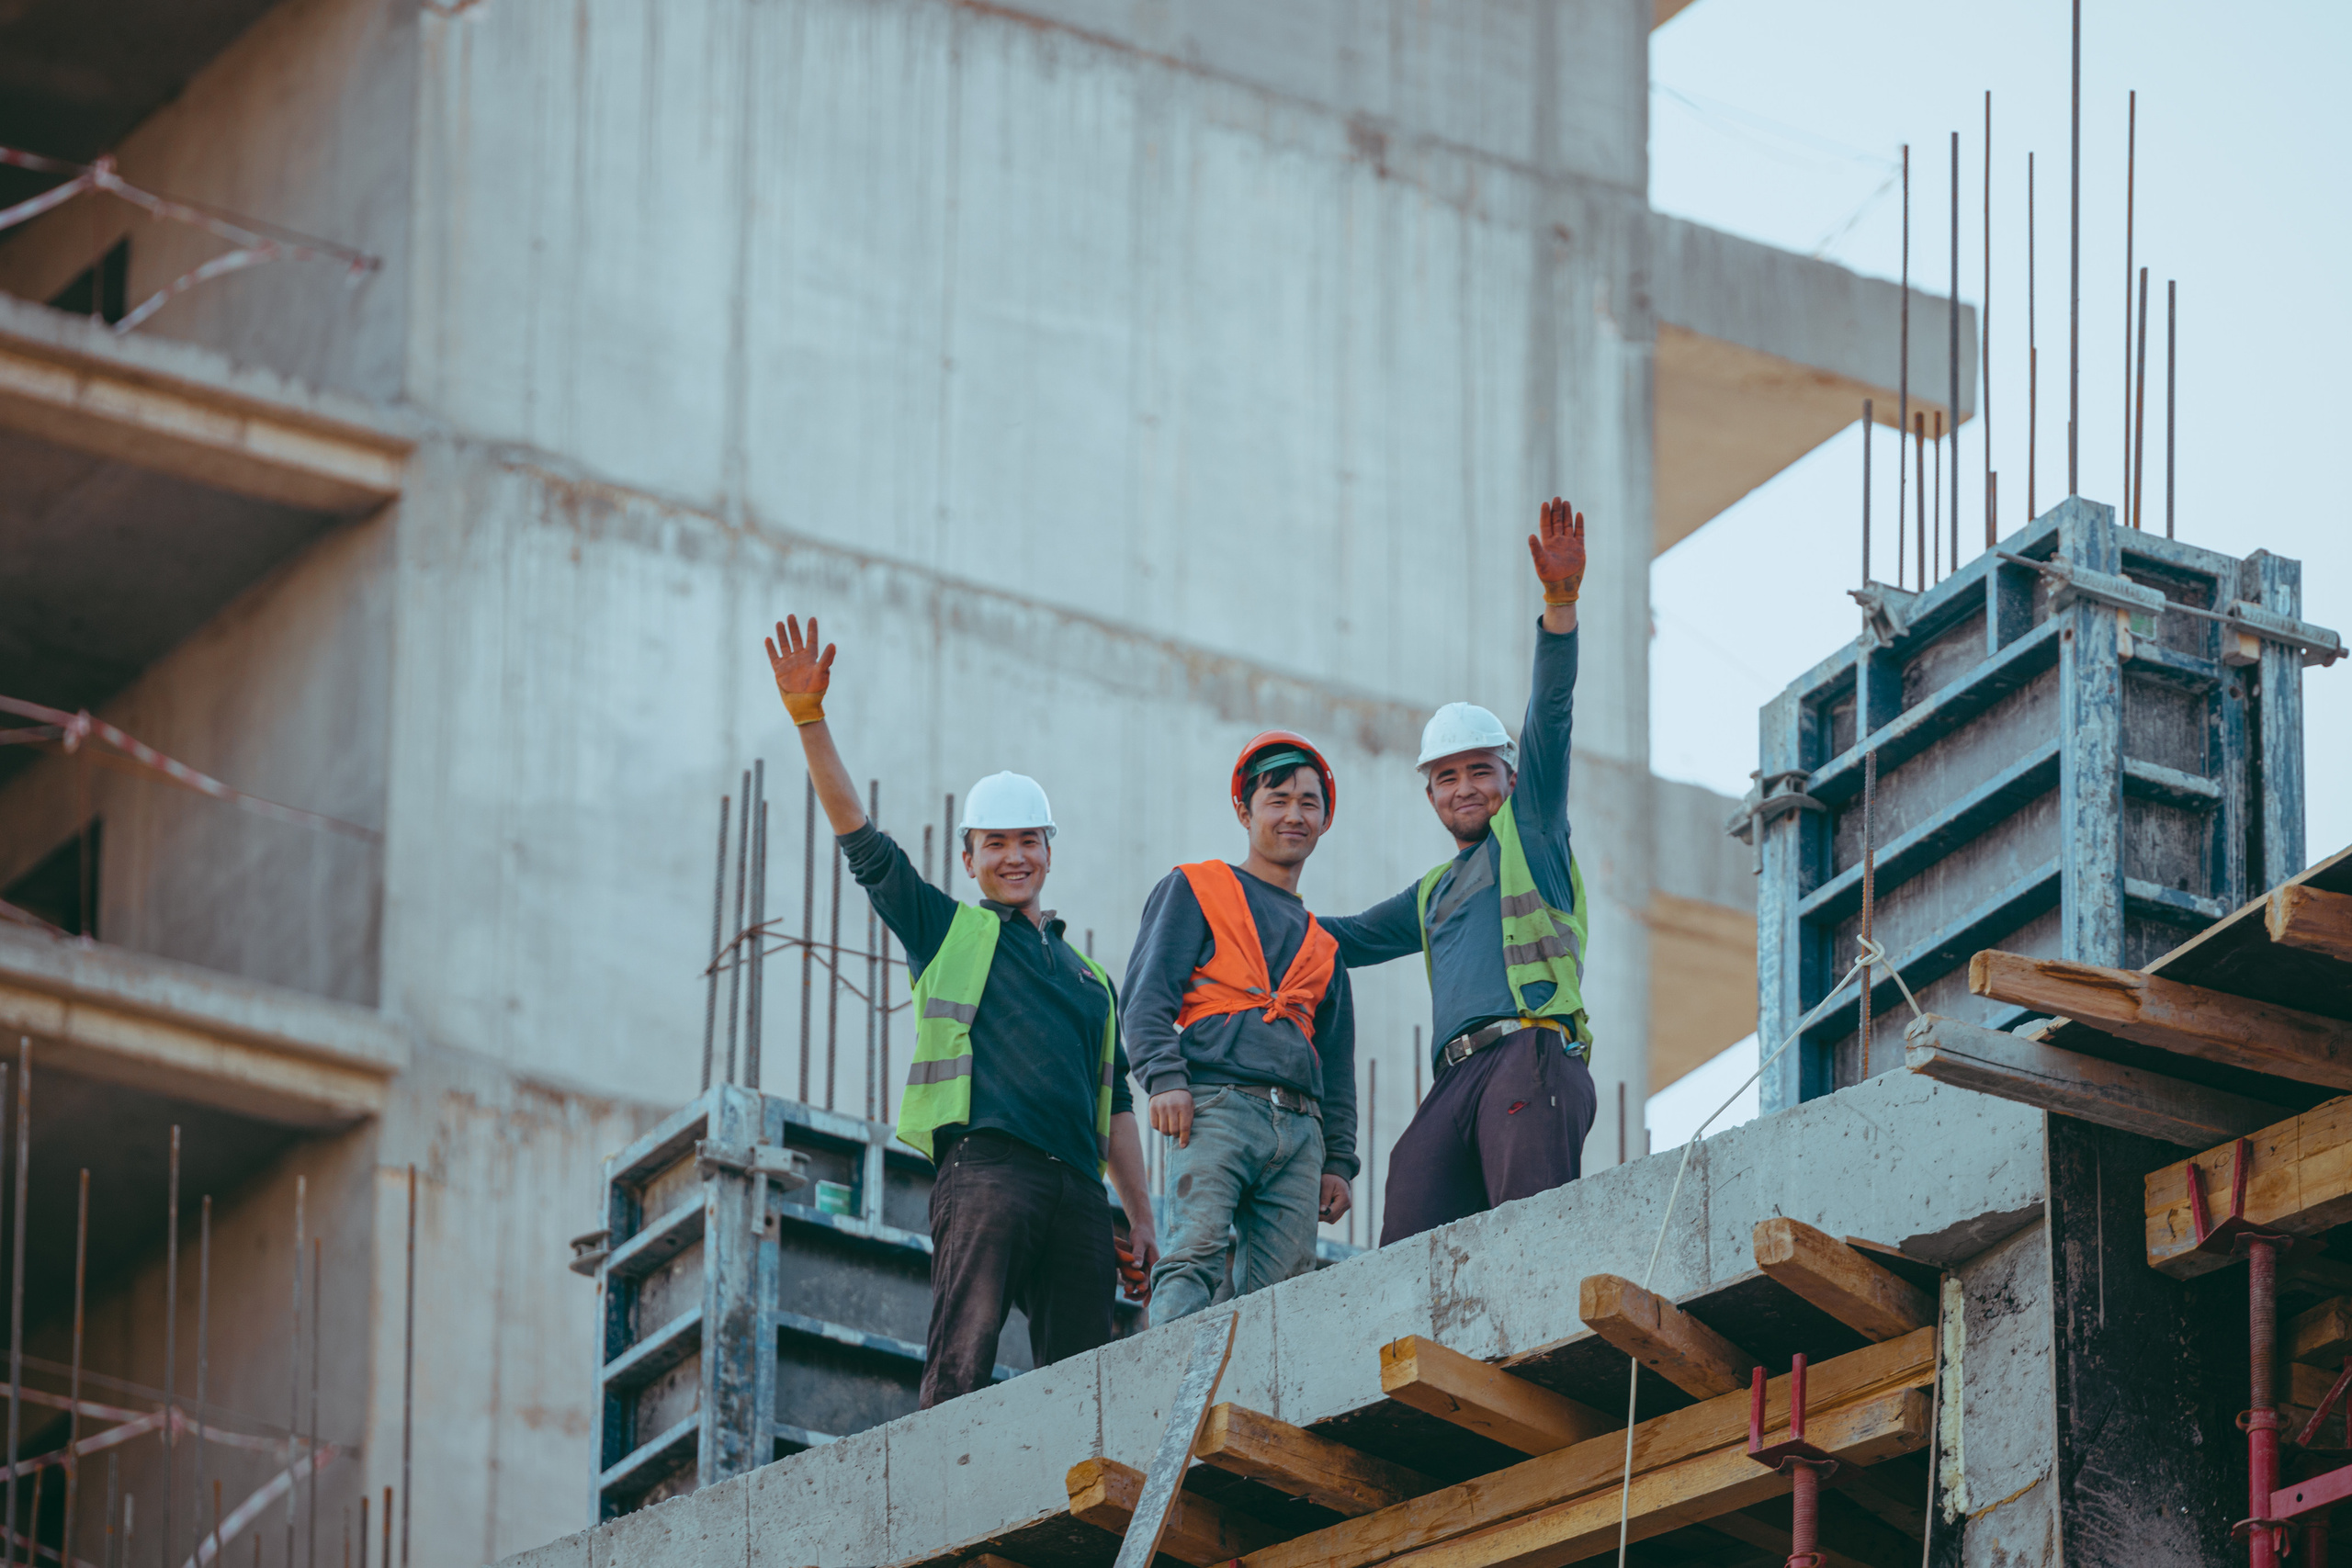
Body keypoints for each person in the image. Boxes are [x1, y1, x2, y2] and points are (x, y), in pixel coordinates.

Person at [763, 613, 1158, 1407]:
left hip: (1079, 1192)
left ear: (1051, 849)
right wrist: (810, 721)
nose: (1015, 857)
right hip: (987, 1170)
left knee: (1086, 1390)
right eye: (996, 843)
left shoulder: (1091, 979)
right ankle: (940, 1515)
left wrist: (1139, 1214)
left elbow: (1115, 1103)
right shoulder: (949, 930)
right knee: (961, 1361)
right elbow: (861, 841)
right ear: (968, 856)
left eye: (1030, 841)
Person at [1321, 498, 1597, 1245]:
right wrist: (1246, 898)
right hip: (1458, 1078)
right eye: (1446, 777)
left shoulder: (1532, 831)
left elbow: (1554, 712)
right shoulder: (1432, 895)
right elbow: (1332, 939)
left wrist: (1559, 606)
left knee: (1527, 1237)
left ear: (1508, 779)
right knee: (1410, 1197)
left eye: (1480, 771)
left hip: (1529, 1054)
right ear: (1430, 793)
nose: (1465, 787)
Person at [1121, 734, 1359, 1324]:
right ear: (1244, 810)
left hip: (1301, 1129)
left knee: (1283, 1294)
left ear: (1325, 820)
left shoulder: (1323, 946)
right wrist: (1164, 1077)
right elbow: (1144, 997)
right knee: (1194, 1258)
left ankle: (1251, 1413)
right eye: (1277, 800)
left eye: (1309, 802)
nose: (1294, 815)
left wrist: (1339, 1162)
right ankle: (1170, 1403)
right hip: (1215, 1107)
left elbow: (1337, 1066)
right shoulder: (1198, 888)